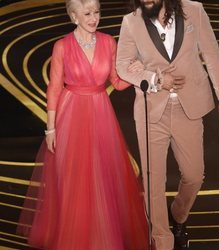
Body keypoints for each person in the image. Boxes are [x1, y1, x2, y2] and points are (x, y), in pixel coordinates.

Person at [17, 0, 150, 249]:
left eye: (97, 12)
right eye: (87, 13)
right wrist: (51, 128)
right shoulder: (62, 46)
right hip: (70, 115)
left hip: (101, 113)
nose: (94, 18)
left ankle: (102, 238)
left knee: (103, 176)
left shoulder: (109, 42)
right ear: (74, 17)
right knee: (72, 180)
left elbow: (117, 82)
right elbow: (54, 88)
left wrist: (136, 71)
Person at [116, 0, 219, 249]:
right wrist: (155, 78)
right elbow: (122, 66)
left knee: (194, 175)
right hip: (151, 110)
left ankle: (179, 216)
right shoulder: (131, 21)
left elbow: (211, 53)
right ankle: (163, 241)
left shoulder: (194, 10)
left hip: (189, 106)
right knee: (153, 182)